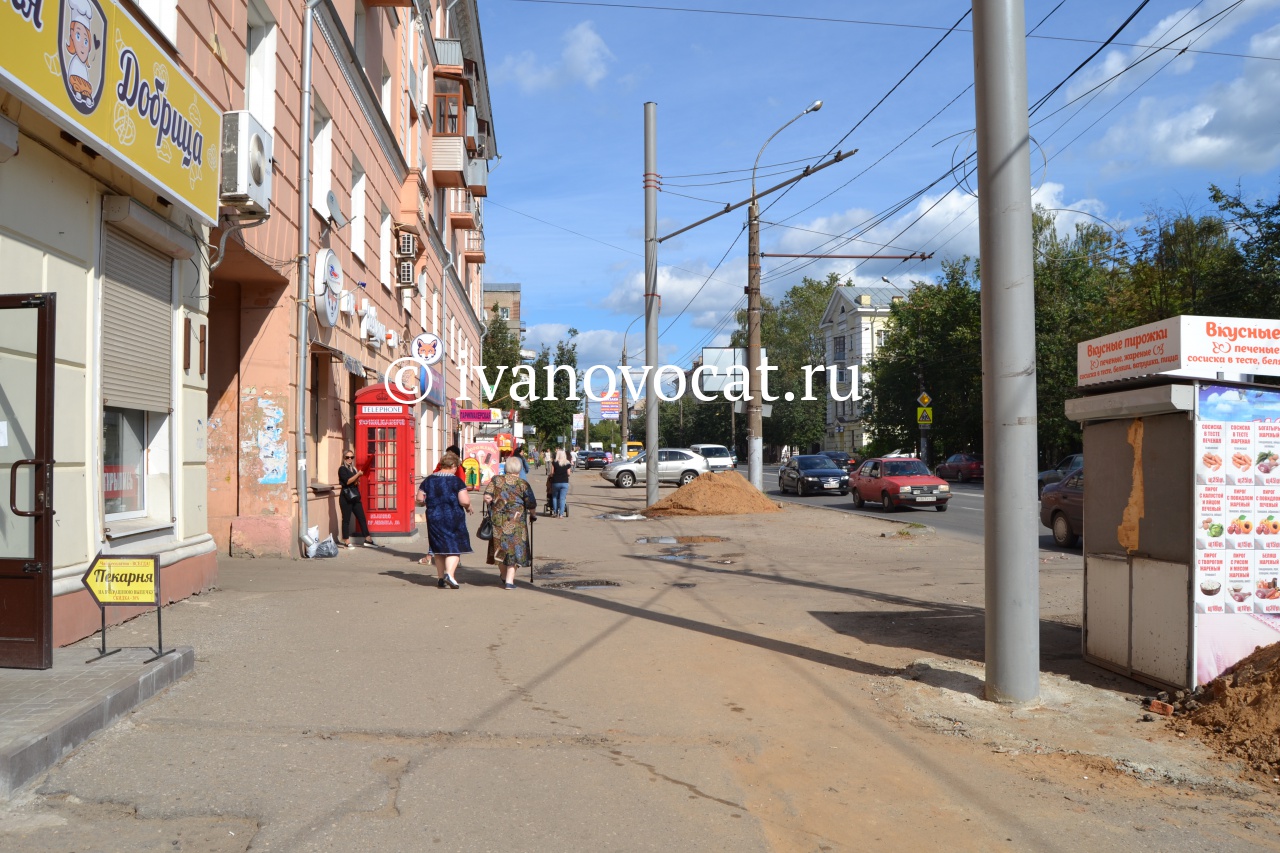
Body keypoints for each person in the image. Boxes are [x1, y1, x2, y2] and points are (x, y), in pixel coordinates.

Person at [482, 456, 537, 589]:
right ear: (519, 469)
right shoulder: (522, 483)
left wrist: (492, 502)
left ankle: (503, 574)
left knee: (500, 548)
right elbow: (531, 504)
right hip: (516, 522)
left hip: (498, 520)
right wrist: (533, 516)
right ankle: (509, 581)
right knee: (515, 549)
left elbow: (487, 496)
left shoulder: (496, 480)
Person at [418, 451, 472, 588]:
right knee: (454, 547)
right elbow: (464, 500)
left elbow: (419, 498)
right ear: (452, 465)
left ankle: (441, 578)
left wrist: (428, 503)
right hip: (453, 517)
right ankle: (450, 575)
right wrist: (468, 506)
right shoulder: (456, 481)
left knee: (439, 548)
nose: (456, 470)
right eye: (456, 467)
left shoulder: (428, 480)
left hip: (434, 517)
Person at [338, 450, 377, 549]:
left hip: (355, 496)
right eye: (347, 457)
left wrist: (357, 480)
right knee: (346, 519)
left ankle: (368, 539)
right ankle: (346, 541)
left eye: (352, 457)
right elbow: (347, 482)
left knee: (361, 518)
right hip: (346, 497)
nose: (350, 459)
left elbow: (355, 482)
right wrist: (358, 475)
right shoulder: (342, 469)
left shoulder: (354, 469)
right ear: (344, 458)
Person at [550, 447, 572, 518]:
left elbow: (552, 472)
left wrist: (552, 475)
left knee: (554, 497)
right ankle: (561, 514)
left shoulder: (554, 462)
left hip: (555, 482)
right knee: (562, 498)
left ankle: (555, 512)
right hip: (564, 482)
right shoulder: (567, 463)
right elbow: (569, 473)